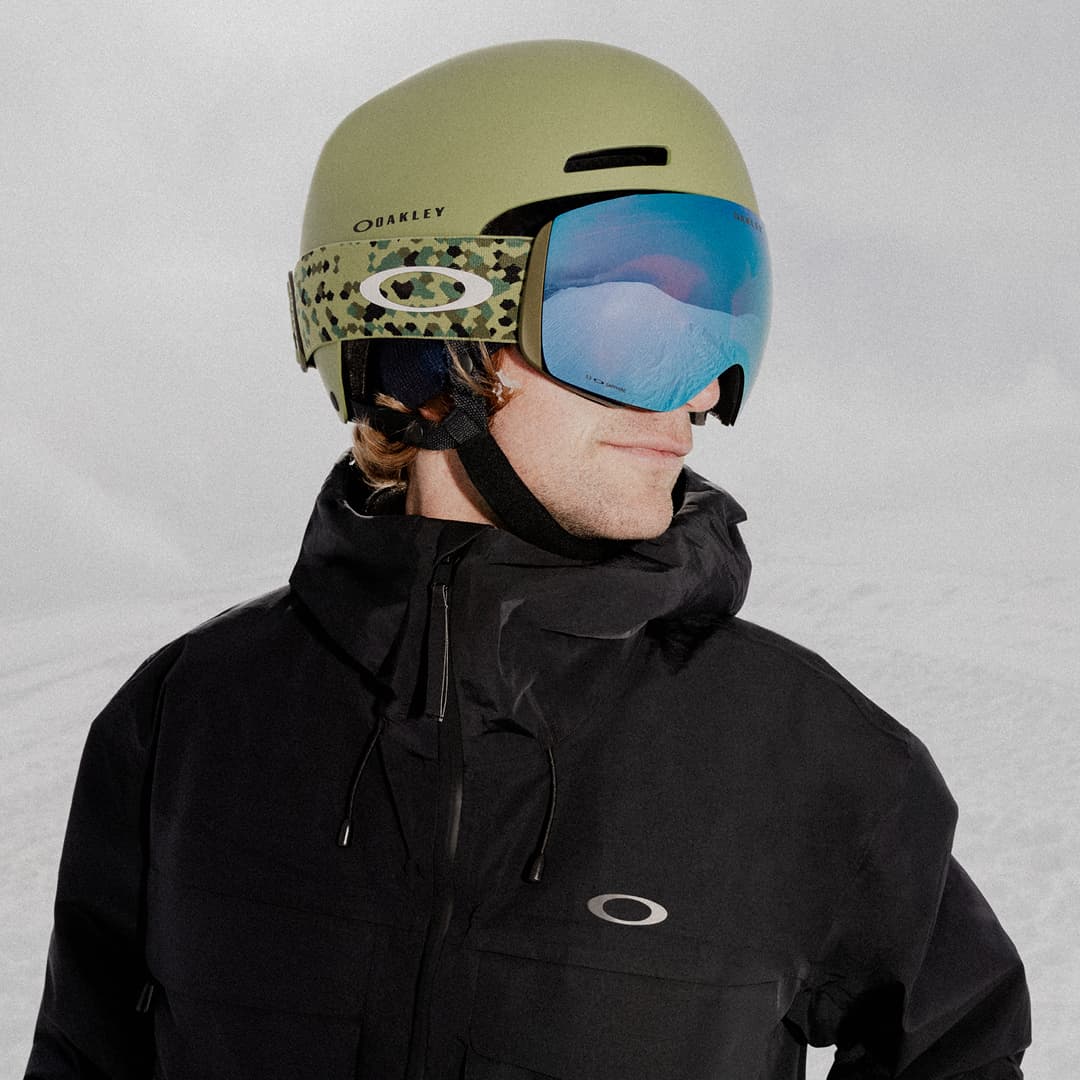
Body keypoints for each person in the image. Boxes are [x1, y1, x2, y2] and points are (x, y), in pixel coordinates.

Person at [26, 40, 1029, 1080]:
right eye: (637, 320)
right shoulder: (188, 725)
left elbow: (960, 1041)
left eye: (722, 318)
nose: (700, 394)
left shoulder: (808, 758)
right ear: (428, 334)